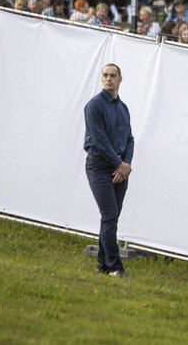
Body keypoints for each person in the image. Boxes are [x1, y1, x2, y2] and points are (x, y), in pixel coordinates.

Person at [84, 63, 134, 278]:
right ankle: (115, 267)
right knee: (110, 215)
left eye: (113, 75)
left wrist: (126, 165)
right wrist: (118, 164)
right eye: (105, 75)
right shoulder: (94, 105)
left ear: (120, 79)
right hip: (99, 166)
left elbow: (130, 139)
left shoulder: (123, 108)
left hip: (120, 169)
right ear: (101, 78)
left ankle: (103, 265)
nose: (109, 79)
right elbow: (100, 140)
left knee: (111, 219)